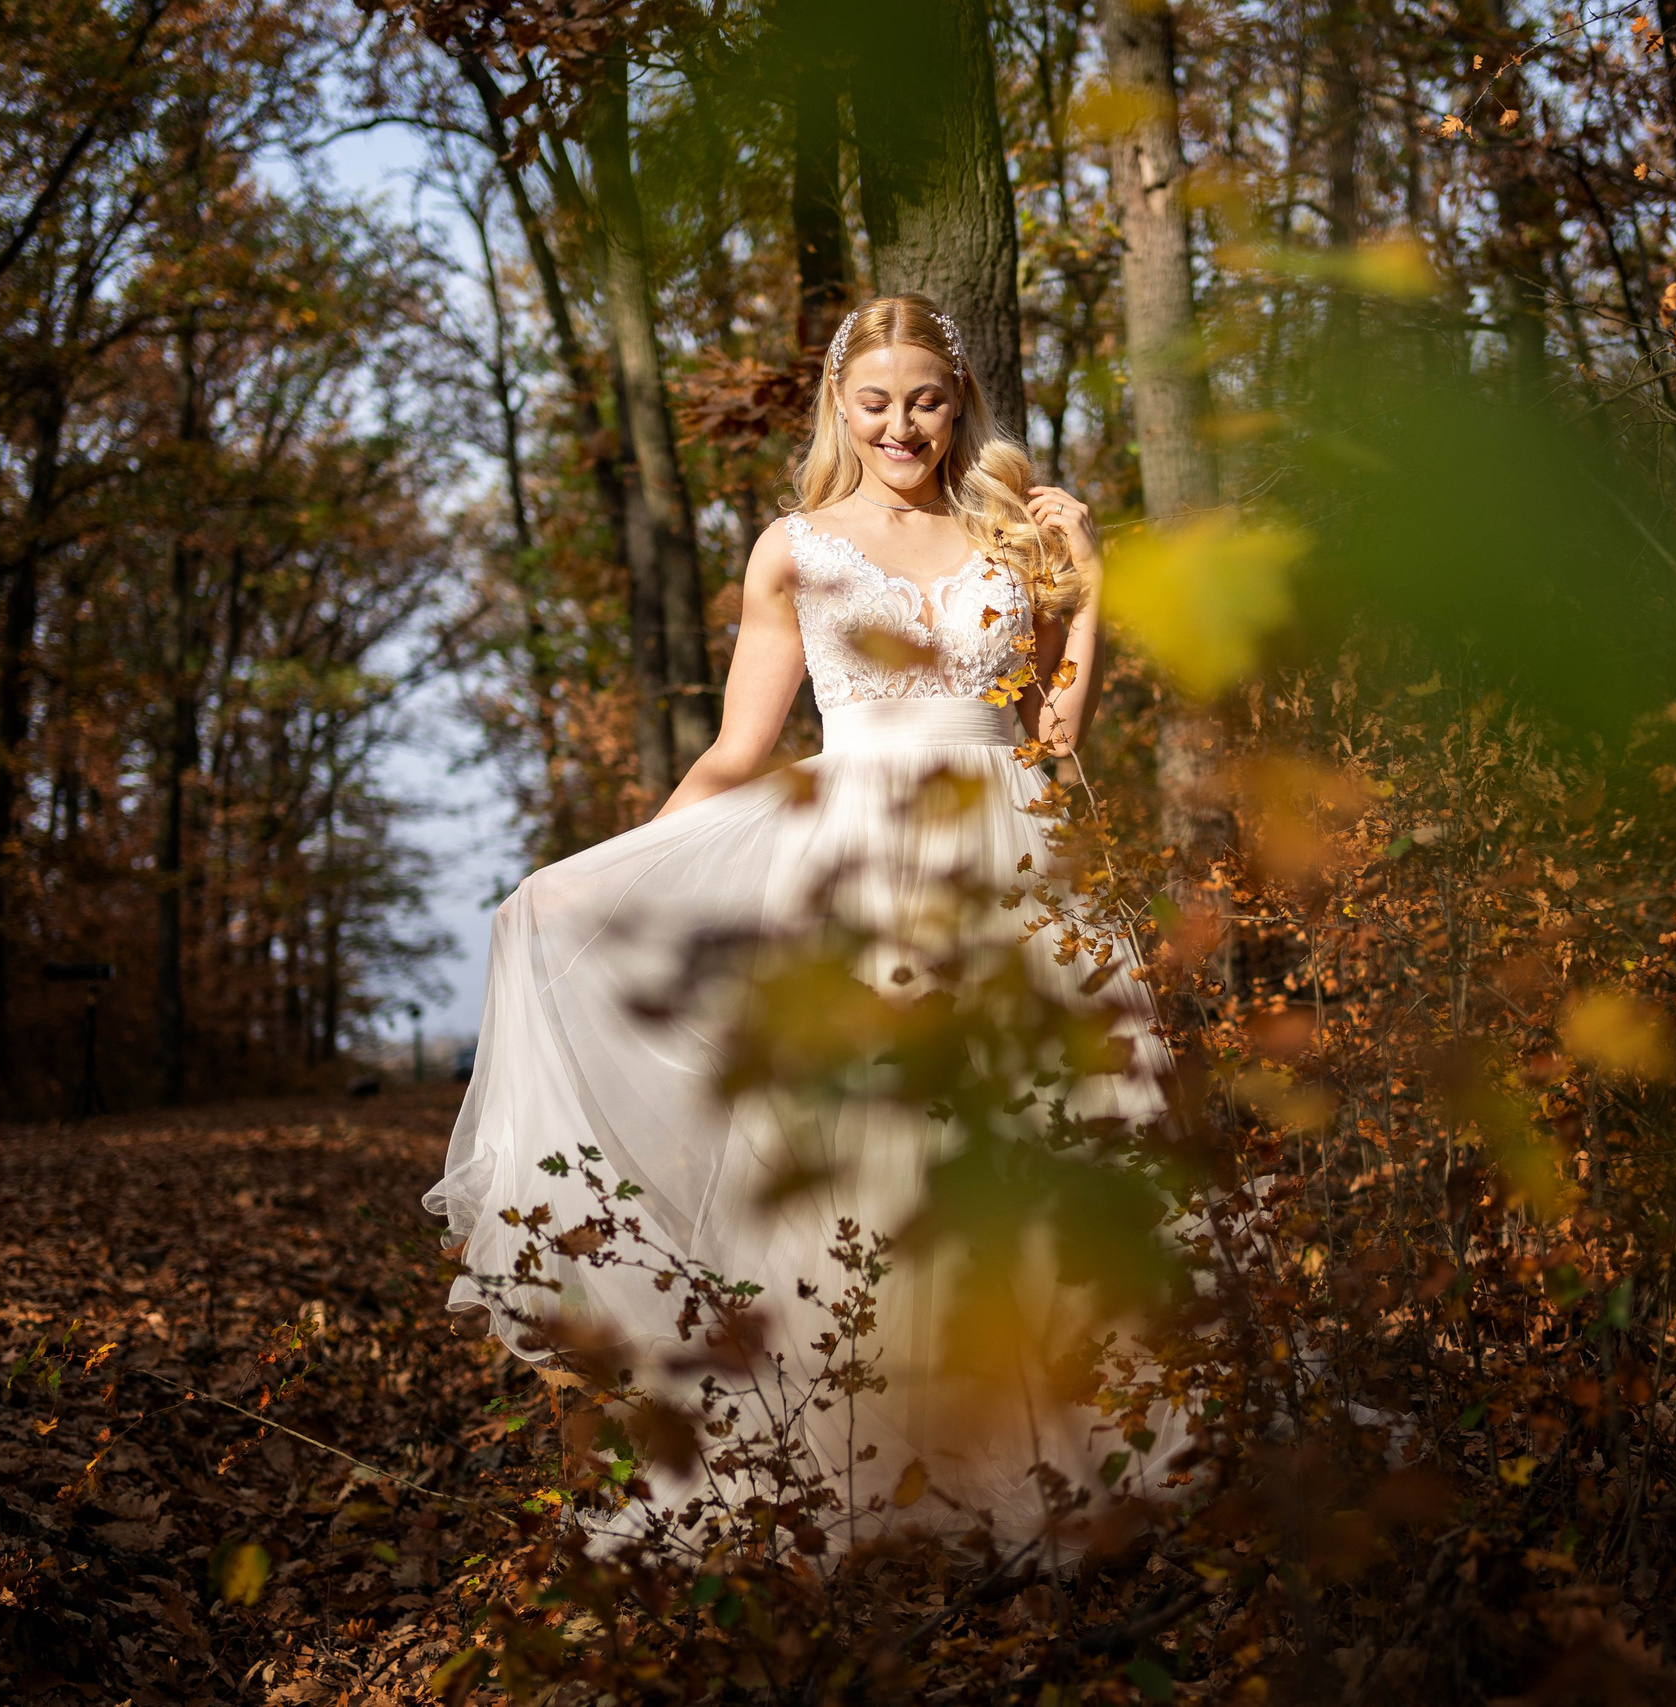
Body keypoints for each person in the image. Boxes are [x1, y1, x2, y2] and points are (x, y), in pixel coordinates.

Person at [426, 293, 1170, 1548]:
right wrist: (617, 879)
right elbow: (735, 751)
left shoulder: (1012, 533)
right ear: (840, 406)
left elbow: (1053, 741)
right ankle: (868, 1455)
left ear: (958, 401)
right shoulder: (796, 549)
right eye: (874, 400)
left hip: (1008, 855)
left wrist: (1087, 588)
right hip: (854, 867)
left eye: (925, 399)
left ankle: (1060, 1446)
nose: (901, 424)